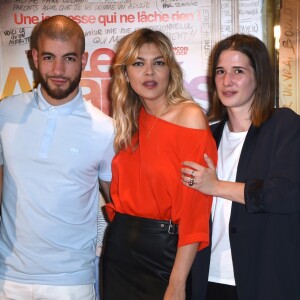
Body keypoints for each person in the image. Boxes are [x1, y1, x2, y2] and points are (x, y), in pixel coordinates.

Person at [0, 15, 114, 300]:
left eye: (70, 58)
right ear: (35, 57)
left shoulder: (105, 129)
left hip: (71, 282)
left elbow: (120, 204)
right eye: (49, 57)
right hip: (7, 278)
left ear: (84, 59)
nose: (59, 69)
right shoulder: (5, 113)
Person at [181, 33, 300, 300]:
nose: (227, 81)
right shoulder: (208, 136)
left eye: (238, 71)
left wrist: (216, 187)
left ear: (260, 76)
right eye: (221, 71)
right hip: (207, 278)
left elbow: (287, 193)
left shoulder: (284, 125)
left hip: (265, 280)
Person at [101, 28, 217, 300]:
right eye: (138, 63)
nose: (149, 72)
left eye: (158, 63)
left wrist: (177, 284)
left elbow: (194, 211)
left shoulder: (189, 117)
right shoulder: (129, 123)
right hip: (119, 254)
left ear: (170, 71)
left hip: (165, 256)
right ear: (126, 75)